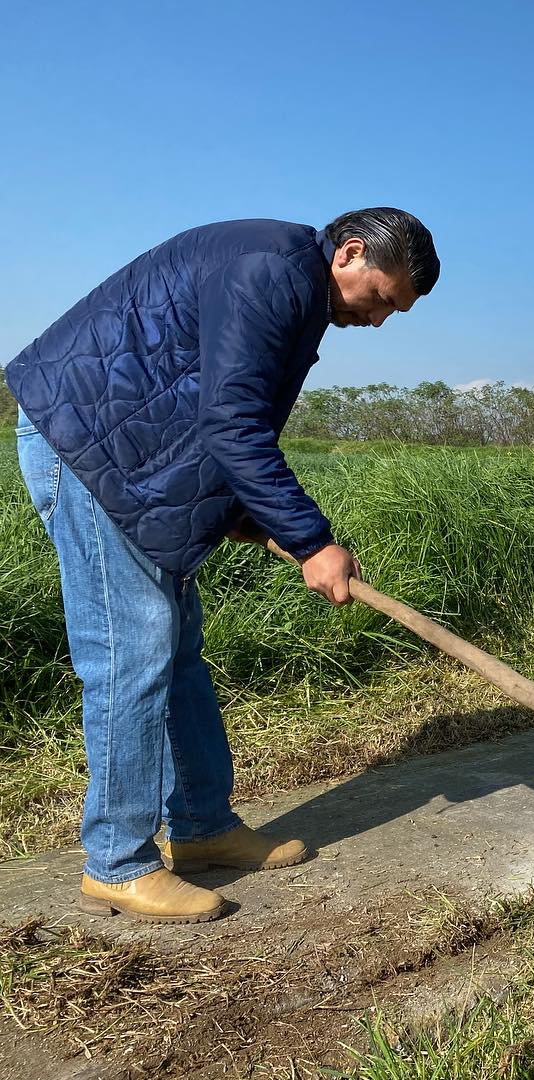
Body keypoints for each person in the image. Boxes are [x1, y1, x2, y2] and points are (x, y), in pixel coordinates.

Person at [5, 209, 440, 923]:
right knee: (130, 653)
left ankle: (202, 827)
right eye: (382, 299)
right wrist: (310, 541)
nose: (380, 319)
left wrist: (241, 512)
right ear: (351, 253)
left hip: (137, 455)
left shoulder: (293, 281)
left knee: (175, 650)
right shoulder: (270, 269)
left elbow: (203, 400)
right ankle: (117, 861)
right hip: (87, 447)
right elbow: (232, 419)